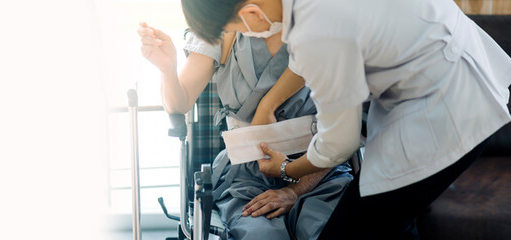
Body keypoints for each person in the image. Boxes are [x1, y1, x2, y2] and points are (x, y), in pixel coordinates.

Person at [178, 0, 511, 239]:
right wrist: (269, 104)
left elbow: (340, 143)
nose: (241, 35)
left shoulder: (317, 30)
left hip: (448, 109)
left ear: (251, 12)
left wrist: (285, 172)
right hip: (457, 68)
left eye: (236, 29)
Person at [137, 3, 353, 237]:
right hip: (248, 175)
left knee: (321, 231)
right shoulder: (222, 22)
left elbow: (341, 134)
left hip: (318, 169)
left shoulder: (317, 22)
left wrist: (295, 190)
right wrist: (168, 68)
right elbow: (179, 104)